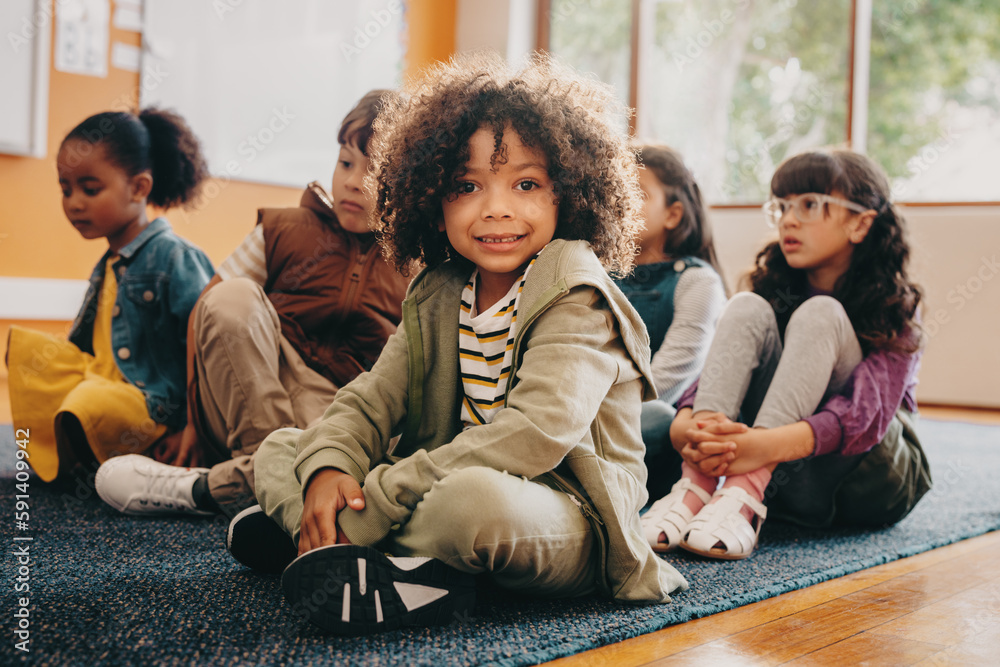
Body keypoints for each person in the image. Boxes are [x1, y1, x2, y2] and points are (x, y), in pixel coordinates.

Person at [234, 53, 688, 635]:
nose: (496, 207)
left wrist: (378, 498)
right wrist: (331, 468)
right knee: (285, 449)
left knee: (470, 504)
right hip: (436, 480)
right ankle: (350, 545)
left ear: (568, 193)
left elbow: (534, 434)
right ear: (431, 198)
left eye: (526, 183)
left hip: (565, 515)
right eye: (467, 186)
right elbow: (371, 400)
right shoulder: (440, 291)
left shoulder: (578, 293)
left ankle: (323, 538)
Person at [94, 90, 412, 524]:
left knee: (393, 441)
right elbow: (208, 312)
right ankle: (267, 470)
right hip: (255, 385)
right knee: (230, 295)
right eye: (345, 163)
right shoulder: (283, 228)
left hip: (334, 411)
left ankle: (213, 487)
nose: (354, 182)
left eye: (374, 171)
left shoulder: (417, 259)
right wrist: (190, 420)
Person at [642, 150, 932, 560]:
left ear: (860, 222)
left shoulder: (896, 305)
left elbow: (865, 416)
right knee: (745, 306)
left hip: (865, 477)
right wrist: (690, 426)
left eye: (810, 205)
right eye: (781, 206)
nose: (788, 219)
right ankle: (696, 487)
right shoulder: (773, 286)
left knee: (821, 314)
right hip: (784, 474)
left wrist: (760, 448)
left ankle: (744, 492)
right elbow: (719, 373)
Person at [6, 109, 214, 485]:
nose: (74, 203)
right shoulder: (108, 264)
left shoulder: (174, 256)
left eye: (90, 189)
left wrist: (192, 426)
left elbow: (207, 348)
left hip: (147, 400)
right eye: (65, 189)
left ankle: (141, 451)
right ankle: (101, 455)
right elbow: (87, 343)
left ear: (138, 188)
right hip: (101, 375)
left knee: (88, 403)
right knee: (26, 352)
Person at [614, 145, 727, 501]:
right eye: (615, 189)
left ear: (673, 214)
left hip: (647, 421)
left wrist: (592, 415)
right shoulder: (597, 275)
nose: (620, 201)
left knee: (657, 416)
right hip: (585, 413)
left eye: (638, 194)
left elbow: (667, 381)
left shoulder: (697, 282)